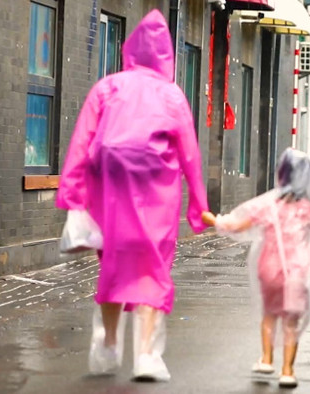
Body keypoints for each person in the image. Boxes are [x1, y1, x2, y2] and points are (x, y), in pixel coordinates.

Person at [55, 10, 208, 381]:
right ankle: (146, 356)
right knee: (153, 269)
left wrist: (72, 193)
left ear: (131, 50)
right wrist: (198, 206)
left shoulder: (107, 87)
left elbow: (81, 142)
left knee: (114, 264)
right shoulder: (172, 95)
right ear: (166, 57)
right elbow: (189, 153)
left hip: (110, 192)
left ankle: (107, 346)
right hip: (159, 194)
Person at [201, 149, 310, 388]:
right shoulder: (307, 209)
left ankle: (267, 360)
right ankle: (288, 371)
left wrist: (214, 220)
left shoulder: (269, 206)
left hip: (269, 269)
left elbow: (238, 226)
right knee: (291, 322)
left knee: (269, 316)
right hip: (297, 272)